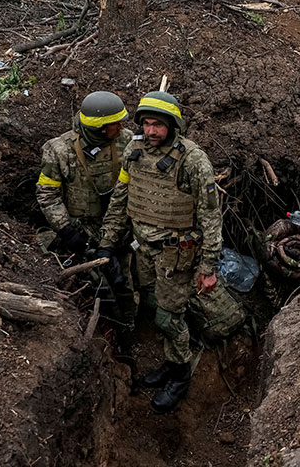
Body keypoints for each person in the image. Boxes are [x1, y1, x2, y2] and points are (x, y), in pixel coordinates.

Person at [98, 91, 244, 413]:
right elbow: (121, 198)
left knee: (168, 316)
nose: (151, 131)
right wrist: (108, 241)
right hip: (143, 250)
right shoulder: (134, 151)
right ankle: (169, 364)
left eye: (158, 126)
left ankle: (179, 374)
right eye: (147, 124)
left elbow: (209, 215)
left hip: (175, 256)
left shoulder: (192, 160)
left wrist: (207, 266)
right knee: (152, 304)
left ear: (172, 126)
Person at [36, 91, 141, 357]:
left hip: (119, 226)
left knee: (124, 280)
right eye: (114, 124)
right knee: (97, 284)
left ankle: (130, 330)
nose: (121, 127)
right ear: (98, 127)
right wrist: (65, 228)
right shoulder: (59, 150)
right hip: (82, 229)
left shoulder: (127, 141)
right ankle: (106, 336)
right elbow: (47, 193)